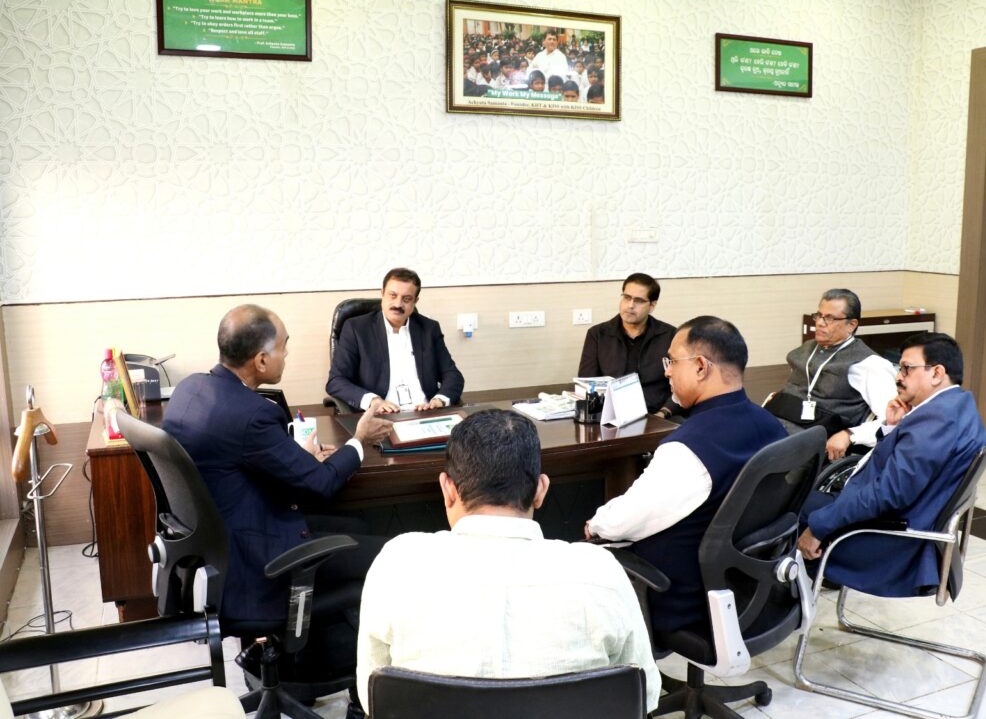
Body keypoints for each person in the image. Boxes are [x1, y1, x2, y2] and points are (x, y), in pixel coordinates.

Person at [163, 304, 394, 718]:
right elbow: (321, 484)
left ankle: (308, 662)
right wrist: (358, 440)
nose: (287, 354)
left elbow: (234, 461)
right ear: (261, 360)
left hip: (219, 552)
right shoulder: (253, 414)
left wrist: (291, 457)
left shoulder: (191, 389)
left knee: (356, 523)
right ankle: (362, 694)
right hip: (260, 566)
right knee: (387, 555)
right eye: (284, 347)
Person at [357, 410, 661, 711]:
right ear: (540, 490)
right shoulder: (602, 571)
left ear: (447, 489)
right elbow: (643, 695)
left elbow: (372, 695)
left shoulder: (396, 564)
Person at [585, 316, 787, 634]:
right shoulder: (772, 426)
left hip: (682, 601)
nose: (666, 371)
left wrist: (595, 524)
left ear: (701, 367)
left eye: (672, 361)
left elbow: (621, 523)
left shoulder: (689, 448)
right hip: (752, 591)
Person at [798, 333, 986, 596]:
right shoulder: (957, 405)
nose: (899, 377)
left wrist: (819, 526)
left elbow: (889, 494)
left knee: (782, 509)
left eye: (907, 369)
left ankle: (775, 605)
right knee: (793, 499)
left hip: (890, 539)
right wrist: (891, 427)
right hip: (895, 517)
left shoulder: (935, 421)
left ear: (936, 373)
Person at [764, 288, 896, 461]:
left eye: (830, 318)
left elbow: (892, 421)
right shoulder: (806, 349)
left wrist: (849, 435)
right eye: (819, 315)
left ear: (851, 325)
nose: (820, 323)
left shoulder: (869, 364)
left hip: (810, 442)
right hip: (778, 423)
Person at [326, 267, 465, 413]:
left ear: (415, 301)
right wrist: (373, 401)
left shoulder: (429, 329)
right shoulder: (357, 329)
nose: (398, 304)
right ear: (382, 294)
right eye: (393, 295)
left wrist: (439, 400)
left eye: (406, 299)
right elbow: (336, 381)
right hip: (381, 416)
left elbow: (452, 375)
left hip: (425, 413)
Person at [578, 273, 680, 417]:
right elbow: (587, 383)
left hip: (658, 414)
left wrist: (664, 412)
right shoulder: (598, 335)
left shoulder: (670, 335)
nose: (630, 305)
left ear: (652, 305)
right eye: (626, 297)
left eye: (639, 301)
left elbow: (682, 385)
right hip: (610, 416)